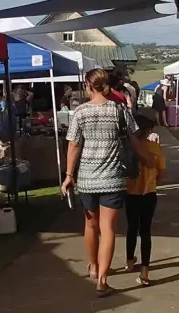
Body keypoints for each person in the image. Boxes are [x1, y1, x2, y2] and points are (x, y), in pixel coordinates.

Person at [61, 68, 149, 296]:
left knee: (90, 225)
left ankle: (93, 267)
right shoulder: (119, 110)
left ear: (88, 86)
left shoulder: (80, 112)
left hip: (87, 179)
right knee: (108, 228)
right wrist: (148, 160)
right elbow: (135, 139)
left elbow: (73, 145)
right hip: (113, 178)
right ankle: (102, 279)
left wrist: (69, 175)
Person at [125, 114, 165, 286]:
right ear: (148, 131)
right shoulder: (154, 148)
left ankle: (129, 261)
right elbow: (162, 172)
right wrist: (153, 181)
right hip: (149, 193)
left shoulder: (128, 148)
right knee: (146, 231)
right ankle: (145, 271)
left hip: (131, 193)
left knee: (132, 228)